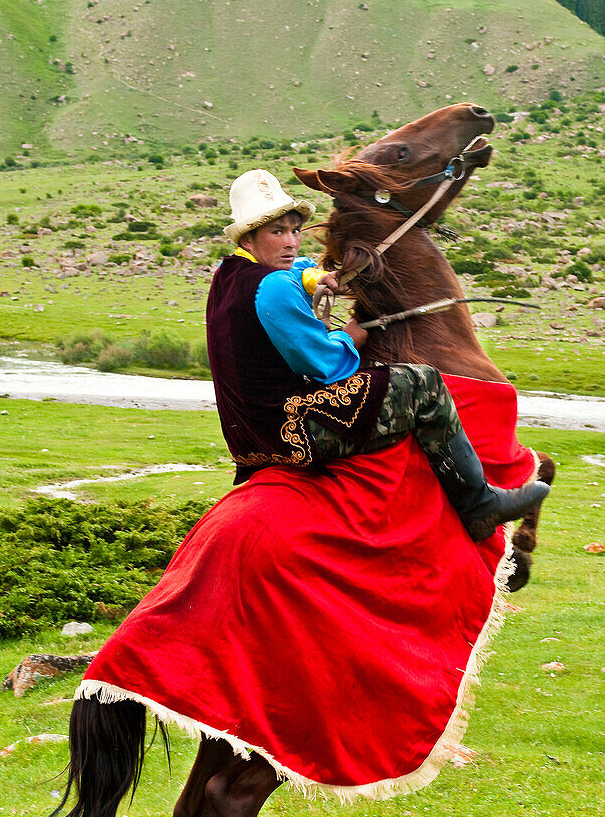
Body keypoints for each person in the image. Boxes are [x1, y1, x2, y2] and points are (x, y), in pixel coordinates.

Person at [206, 169, 549, 542]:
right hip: (294, 432)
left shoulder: (228, 274)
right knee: (423, 383)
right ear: (250, 237)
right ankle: (480, 505)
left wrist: (313, 277)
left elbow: (295, 271)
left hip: (252, 441)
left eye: (295, 230)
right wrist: (350, 338)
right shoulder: (271, 286)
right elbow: (323, 365)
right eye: (277, 232)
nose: (291, 242)